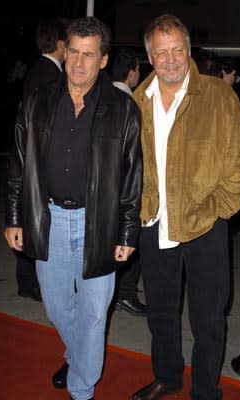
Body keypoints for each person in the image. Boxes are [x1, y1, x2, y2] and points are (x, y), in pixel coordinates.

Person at [4, 16, 142, 400]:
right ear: (64, 51)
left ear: (103, 60)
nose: (79, 64)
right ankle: (79, 354)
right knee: (56, 306)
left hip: (99, 223)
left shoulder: (122, 108)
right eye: (73, 53)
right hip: (49, 219)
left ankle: (82, 388)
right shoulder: (38, 101)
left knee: (95, 314)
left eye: (89, 55)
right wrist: (15, 216)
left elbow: (133, 176)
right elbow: (19, 162)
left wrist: (128, 233)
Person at [131, 14, 240, 400]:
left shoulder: (219, 97)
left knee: (208, 320)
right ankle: (167, 376)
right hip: (154, 226)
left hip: (205, 227)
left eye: (177, 50)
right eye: (161, 52)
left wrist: (217, 209)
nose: (170, 60)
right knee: (160, 314)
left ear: (188, 50)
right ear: (150, 56)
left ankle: (204, 390)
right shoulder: (135, 103)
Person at [15, 16, 69, 302]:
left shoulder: (37, 69)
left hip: (32, 154)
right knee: (34, 220)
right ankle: (31, 282)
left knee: (29, 218)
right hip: (40, 157)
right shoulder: (52, 75)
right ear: (60, 44)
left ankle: (27, 281)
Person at [110, 46, 146, 316]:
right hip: (125, 188)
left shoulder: (97, 96)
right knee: (129, 240)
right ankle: (125, 294)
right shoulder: (132, 104)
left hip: (103, 190)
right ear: (131, 72)